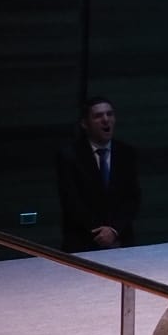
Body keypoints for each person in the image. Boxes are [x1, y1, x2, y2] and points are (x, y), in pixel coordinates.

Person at [55, 95, 141, 251]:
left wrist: (114, 230)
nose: (106, 120)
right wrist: (100, 233)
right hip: (82, 243)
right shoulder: (69, 156)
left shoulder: (127, 153)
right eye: (98, 116)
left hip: (121, 241)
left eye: (110, 114)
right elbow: (71, 201)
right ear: (84, 124)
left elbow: (132, 198)